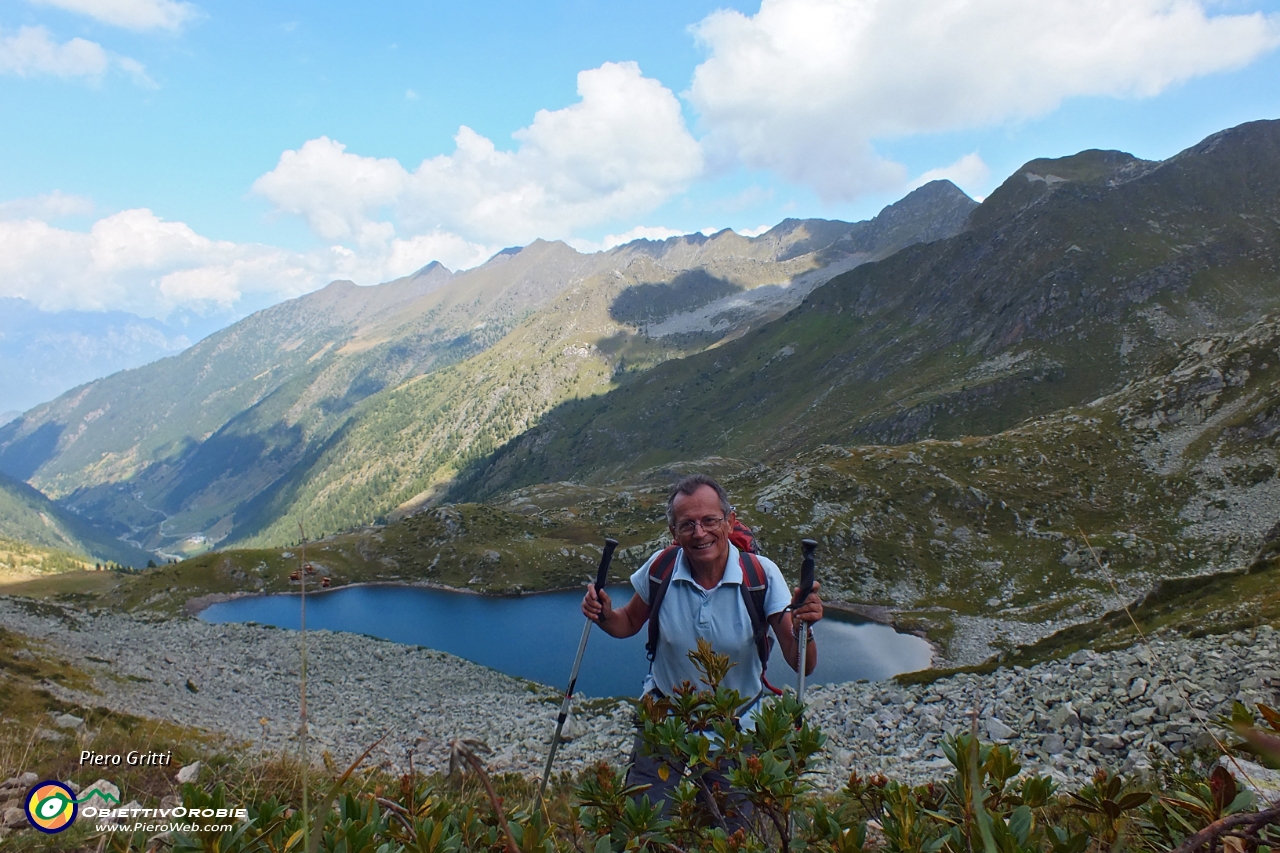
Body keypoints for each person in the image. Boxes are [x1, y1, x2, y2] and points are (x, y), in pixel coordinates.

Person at [580, 473, 824, 818]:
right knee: (646, 827)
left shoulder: (761, 577)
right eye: (687, 525)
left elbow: (802, 663)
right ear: (673, 533)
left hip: (737, 731)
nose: (699, 533)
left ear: (730, 522)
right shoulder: (661, 568)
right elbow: (629, 623)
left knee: (733, 836)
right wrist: (604, 615)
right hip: (665, 723)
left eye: (710, 520)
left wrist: (805, 630)